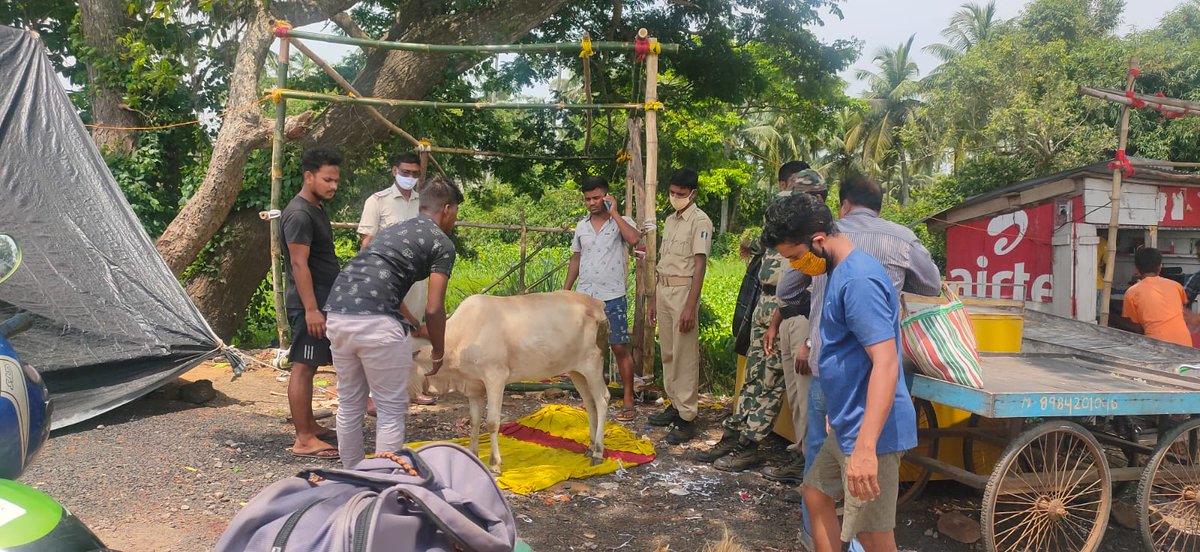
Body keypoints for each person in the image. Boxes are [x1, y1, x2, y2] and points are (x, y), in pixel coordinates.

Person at [762, 192, 916, 552]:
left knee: (872, 535)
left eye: (796, 257)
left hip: (873, 433)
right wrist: (838, 408)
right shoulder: (836, 272)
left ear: (818, 240)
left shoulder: (858, 281)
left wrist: (865, 448)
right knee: (816, 494)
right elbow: (847, 355)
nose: (796, 266)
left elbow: (886, 361)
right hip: (848, 421)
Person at [324, 177, 462, 468]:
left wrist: (410, 323)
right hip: (377, 322)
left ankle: (352, 476)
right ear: (447, 209)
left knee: (349, 404)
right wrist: (438, 350)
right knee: (389, 409)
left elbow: (376, 276)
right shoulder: (442, 242)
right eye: (456, 213)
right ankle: (382, 482)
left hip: (337, 312)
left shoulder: (393, 231)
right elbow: (435, 308)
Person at [699, 163, 824, 472]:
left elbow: (807, 282)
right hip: (766, 301)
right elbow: (758, 245)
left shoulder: (817, 235)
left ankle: (751, 444)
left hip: (791, 309)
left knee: (771, 381)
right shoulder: (785, 221)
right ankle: (737, 433)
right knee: (754, 375)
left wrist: (777, 320)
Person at [357, 151, 436, 406]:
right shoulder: (377, 201)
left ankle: (411, 389)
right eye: (405, 173)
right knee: (383, 334)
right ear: (394, 171)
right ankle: (372, 397)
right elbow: (366, 243)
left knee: (412, 332)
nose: (409, 177)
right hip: (386, 277)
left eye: (414, 174)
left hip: (417, 278)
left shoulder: (423, 204)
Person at [563, 176, 643, 422]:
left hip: (613, 296)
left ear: (606, 196)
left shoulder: (622, 222)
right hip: (586, 297)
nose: (592, 203)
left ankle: (628, 398)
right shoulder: (581, 227)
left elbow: (635, 240)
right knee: (589, 349)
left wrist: (615, 213)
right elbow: (576, 259)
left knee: (618, 347)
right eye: (588, 199)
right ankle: (595, 396)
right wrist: (566, 291)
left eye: (596, 198)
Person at [281, 148, 342, 460]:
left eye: (336, 180)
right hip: (309, 303)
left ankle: (310, 427)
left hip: (320, 300)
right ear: (309, 176)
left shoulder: (316, 208)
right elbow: (299, 265)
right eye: (327, 179)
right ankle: (303, 438)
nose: (333, 186)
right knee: (304, 367)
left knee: (312, 364)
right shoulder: (299, 214)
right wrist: (312, 310)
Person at [648, 168, 712, 444]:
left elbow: (700, 266)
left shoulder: (700, 221)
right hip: (664, 288)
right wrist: (653, 297)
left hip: (684, 290)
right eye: (672, 193)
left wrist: (690, 305)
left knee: (685, 355)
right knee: (669, 352)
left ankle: (687, 417)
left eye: (680, 194)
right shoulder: (671, 220)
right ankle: (674, 404)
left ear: (693, 194)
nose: (675, 198)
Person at [1118, 247, 1193, 347]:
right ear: (1160, 267)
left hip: (1156, 346)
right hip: (1185, 343)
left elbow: (1135, 326)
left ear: (1136, 268)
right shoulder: (1176, 286)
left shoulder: (1132, 292)